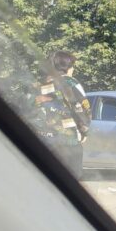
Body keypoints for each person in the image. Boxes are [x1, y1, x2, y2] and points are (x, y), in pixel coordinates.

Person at [33, 50, 91, 179]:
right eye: (72, 66)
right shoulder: (70, 82)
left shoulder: (40, 84)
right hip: (67, 141)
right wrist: (84, 132)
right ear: (67, 68)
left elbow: (31, 108)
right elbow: (82, 108)